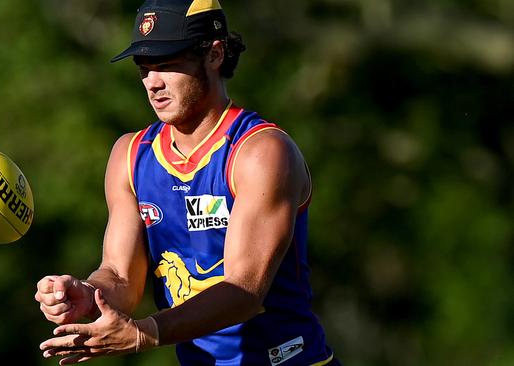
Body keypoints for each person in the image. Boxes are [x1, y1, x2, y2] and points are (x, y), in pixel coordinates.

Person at [35, 0, 340, 365]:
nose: (153, 83)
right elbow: (120, 274)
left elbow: (243, 291)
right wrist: (88, 293)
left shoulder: (260, 152)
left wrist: (143, 333)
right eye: (144, 69)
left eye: (166, 65)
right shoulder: (130, 156)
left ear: (214, 54)